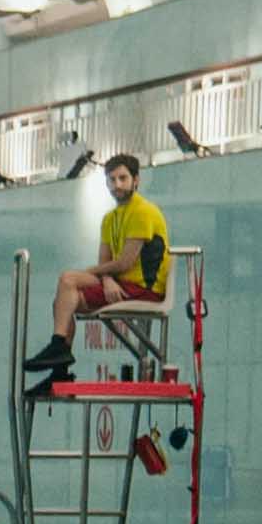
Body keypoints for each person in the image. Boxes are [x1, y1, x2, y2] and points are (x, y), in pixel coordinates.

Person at [24, 148, 177, 399]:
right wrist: (105, 279)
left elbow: (126, 262)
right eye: (112, 179)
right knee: (65, 292)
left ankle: (58, 352)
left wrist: (92, 272)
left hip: (144, 289)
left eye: (122, 178)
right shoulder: (109, 219)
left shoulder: (144, 212)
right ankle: (59, 364)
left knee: (68, 281)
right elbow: (107, 263)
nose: (116, 184)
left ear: (136, 180)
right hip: (120, 282)